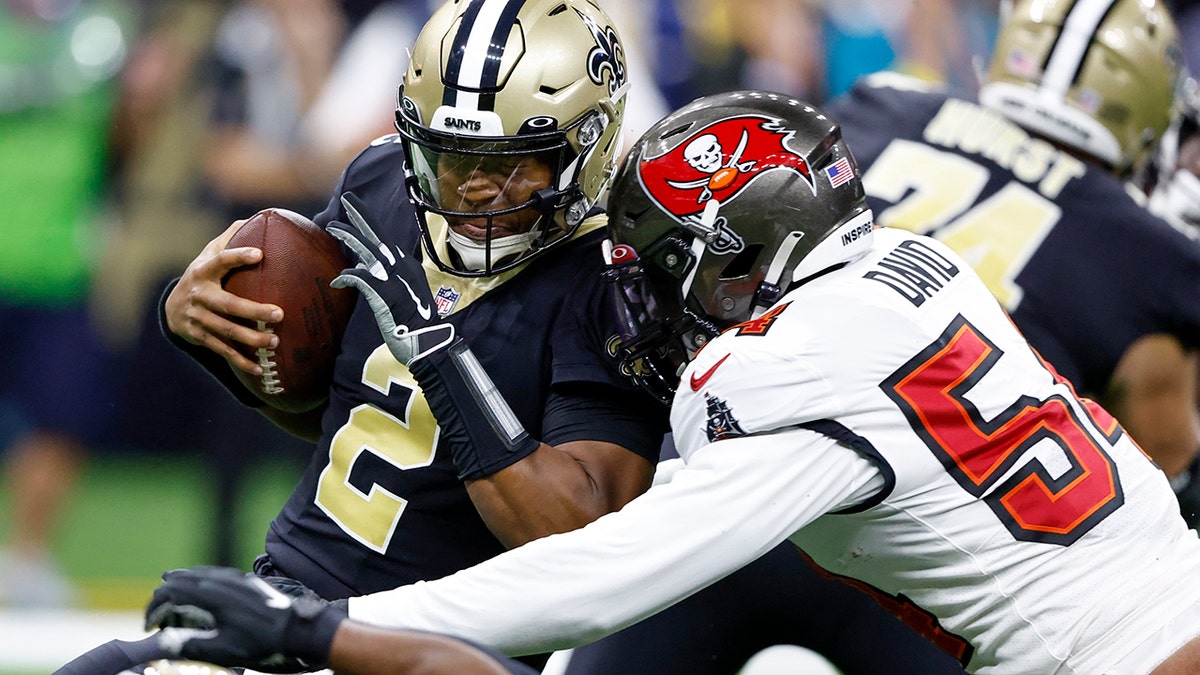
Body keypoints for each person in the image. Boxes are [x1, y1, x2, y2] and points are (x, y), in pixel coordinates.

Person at [144, 89, 1200, 674]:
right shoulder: (921, 266)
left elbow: (602, 575)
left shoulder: (781, 376)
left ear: (740, 252)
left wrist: (321, 626)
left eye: (659, 266)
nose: (642, 299)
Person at [155, 0, 667, 670]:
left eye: (510, 162)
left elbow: (577, 539)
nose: (476, 189)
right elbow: (348, 414)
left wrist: (441, 356)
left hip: (439, 647)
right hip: (291, 591)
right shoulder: (381, 182)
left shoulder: (612, 283)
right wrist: (206, 327)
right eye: (453, 156)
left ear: (587, 143)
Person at [822, 0, 1200, 526]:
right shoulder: (1148, 252)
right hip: (937, 530)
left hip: (750, 428)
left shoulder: (883, 107)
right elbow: (1168, 476)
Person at [0, 0, 134, 608]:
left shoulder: (102, 27)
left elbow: (127, 129)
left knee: (59, 417)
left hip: (60, 260)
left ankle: (25, 558)